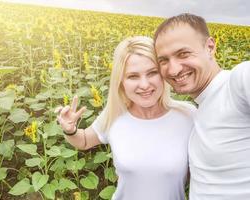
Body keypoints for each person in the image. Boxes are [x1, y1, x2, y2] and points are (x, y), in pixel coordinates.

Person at [56, 36, 195, 200]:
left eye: (152, 73)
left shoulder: (188, 115)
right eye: (133, 76)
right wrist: (70, 130)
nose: (144, 85)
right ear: (121, 81)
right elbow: (84, 140)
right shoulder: (115, 114)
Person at [154, 13, 250, 200]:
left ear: (210, 47)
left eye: (183, 54)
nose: (173, 69)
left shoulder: (237, 82)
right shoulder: (198, 110)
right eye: (163, 60)